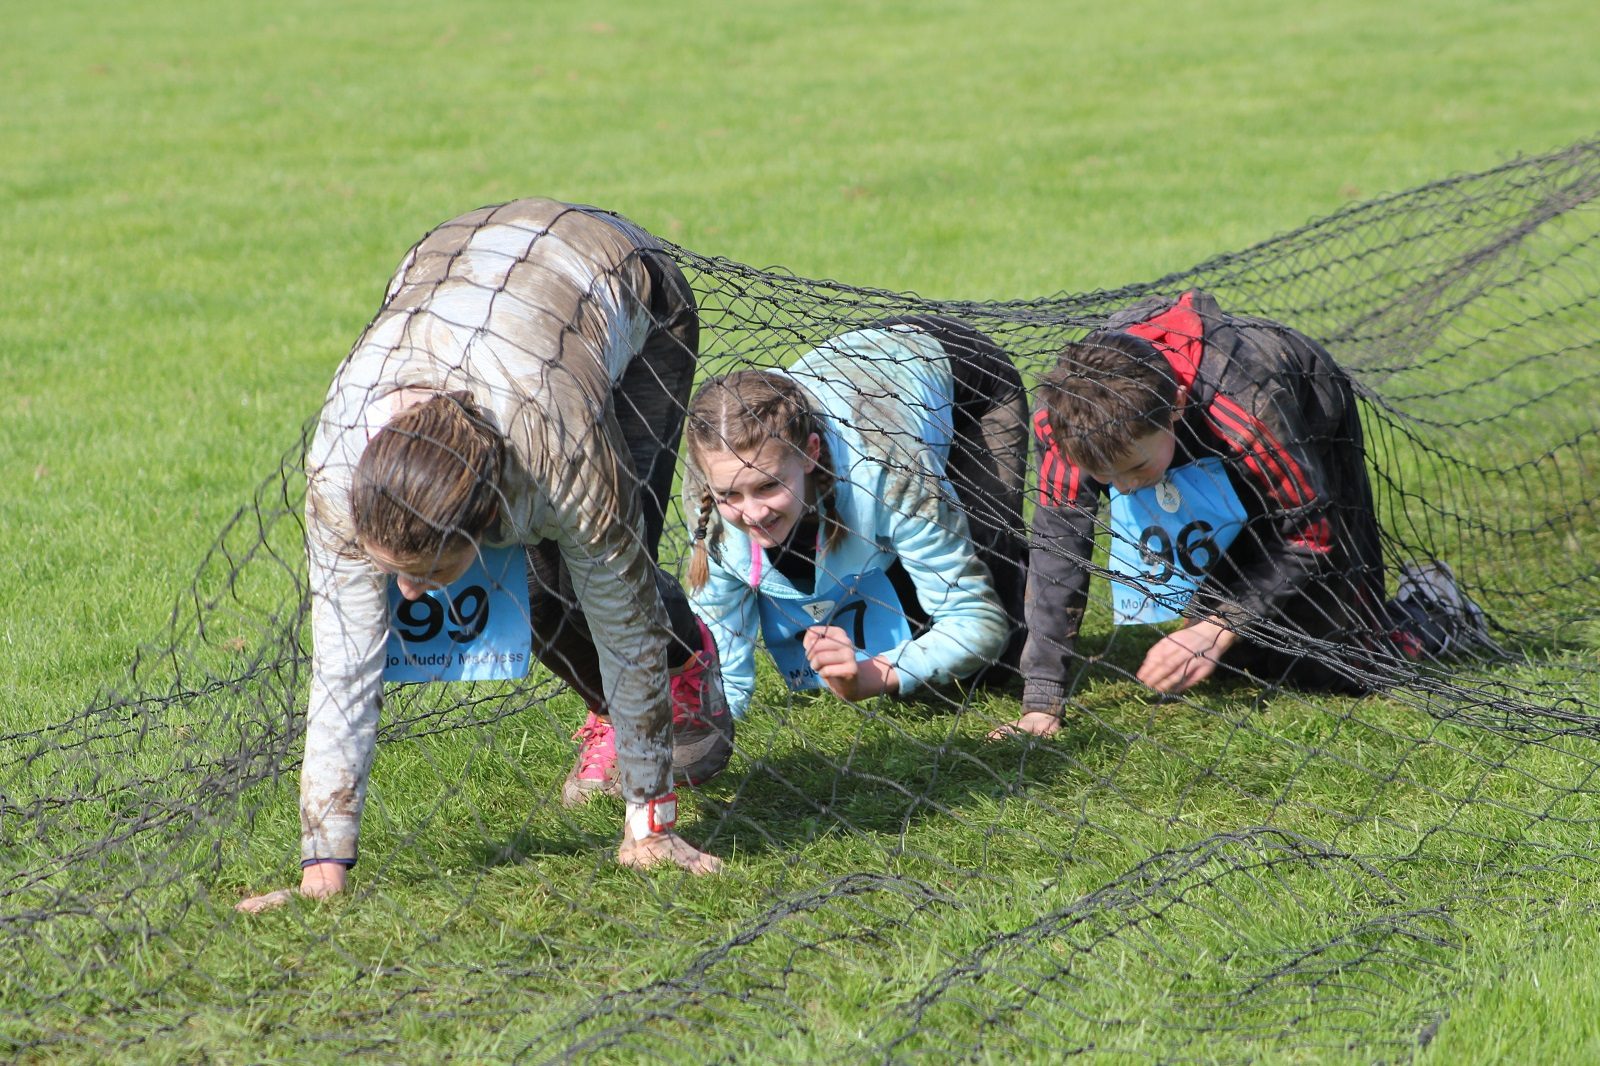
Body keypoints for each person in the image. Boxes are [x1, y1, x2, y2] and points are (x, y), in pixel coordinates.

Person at [237, 198, 732, 913]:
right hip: (461, 265)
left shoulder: (561, 452)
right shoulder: (337, 474)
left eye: (426, 573)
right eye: (394, 570)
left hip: (627, 288)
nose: (409, 594)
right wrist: (323, 870)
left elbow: (623, 623)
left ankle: (688, 661)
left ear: (486, 519)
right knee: (537, 598)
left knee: (582, 582)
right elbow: (343, 670)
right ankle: (608, 713)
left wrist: (650, 829)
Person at [1004, 289, 1491, 738]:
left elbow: (1310, 533)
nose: (1124, 488)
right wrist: (1042, 701)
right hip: (1187, 442)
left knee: (1345, 664)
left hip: (1303, 420)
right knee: (1245, 658)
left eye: (1133, 468)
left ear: (1175, 407)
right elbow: (1057, 553)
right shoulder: (1064, 419)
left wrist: (1216, 628)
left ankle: (1434, 604)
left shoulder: (1248, 407)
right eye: (1104, 476)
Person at [682, 317, 1027, 717]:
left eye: (768, 485)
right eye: (730, 495)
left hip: (967, 384)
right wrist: (711, 723)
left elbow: (978, 624)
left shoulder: (888, 473)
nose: (753, 513)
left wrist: (869, 677)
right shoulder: (710, 484)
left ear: (811, 452)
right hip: (868, 388)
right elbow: (719, 650)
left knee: (993, 664)